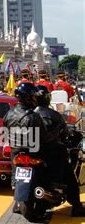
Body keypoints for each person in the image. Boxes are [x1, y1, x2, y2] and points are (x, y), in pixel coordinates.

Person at [34, 85, 85, 216]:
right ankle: (77, 206)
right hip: (52, 151)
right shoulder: (54, 115)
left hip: (32, 151)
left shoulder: (29, 114)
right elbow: (64, 133)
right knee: (69, 176)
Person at [3, 82, 47, 213]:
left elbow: (5, 132)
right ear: (28, 97)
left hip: (16, 151)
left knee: (14, 174)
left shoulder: (9, 114)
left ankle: (17, 201)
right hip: (33, 150)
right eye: (33, 96)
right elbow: (43, 136)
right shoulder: (33, 116)